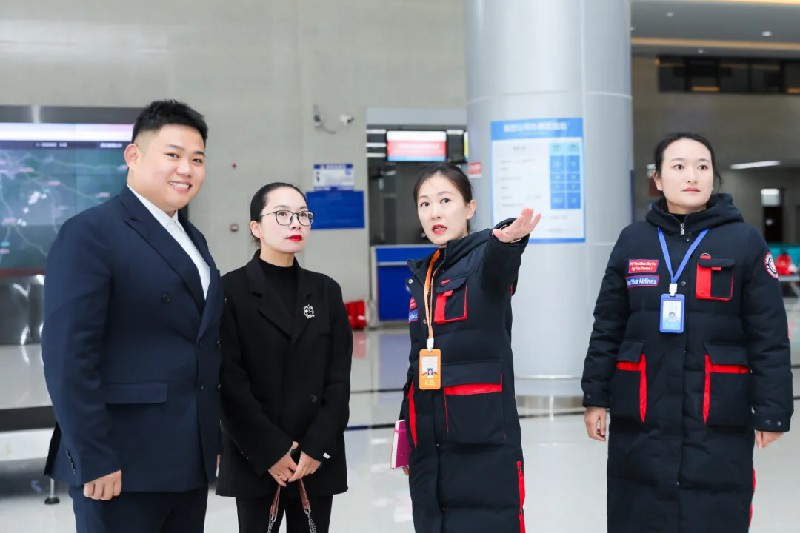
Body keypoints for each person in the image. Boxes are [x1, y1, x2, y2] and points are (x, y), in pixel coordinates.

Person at [582, 132, 793, 532]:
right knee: (639, 510)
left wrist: (772, 410)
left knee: (713, 511)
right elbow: (608, 324)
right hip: (641, 409)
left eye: (702, 166)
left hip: (716, 411)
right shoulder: (634, 241)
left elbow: (768, 334)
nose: (692, 175)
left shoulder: (744, 241)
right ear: (658, 179)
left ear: (714, 176)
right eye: (678, 166)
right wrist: (595, 396)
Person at [42, 100, 223, 533]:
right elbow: (68, 358)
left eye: (197, 160)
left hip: (185, 461)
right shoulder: (91, 233)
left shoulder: (192, 238)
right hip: (120, 465)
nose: (186, 169)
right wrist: (93, 456)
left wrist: (211, 439)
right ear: (133, 156)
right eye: (173, 155)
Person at [398, 163, 540, 532]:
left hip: (481, 436)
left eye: (445, 201)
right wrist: (406, 429)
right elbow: (417, 361)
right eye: (425, 204)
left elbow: (499, 261)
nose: (435, 212)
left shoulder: (484, 260)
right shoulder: (424, 275)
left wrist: (508, 242)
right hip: (428, 436)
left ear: (469, 208)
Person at [216, 182, 352, 533]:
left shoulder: (325, 291)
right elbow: (229, 382)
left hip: (315, 457)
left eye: (303, 215)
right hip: (257, 457)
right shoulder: (230, 291)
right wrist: (271, 451)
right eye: (282, 214)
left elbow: (338, 380)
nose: (295, 223)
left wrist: (316, 447)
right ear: (256, 228)